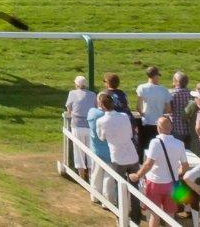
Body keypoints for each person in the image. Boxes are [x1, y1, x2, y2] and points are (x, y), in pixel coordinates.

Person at [95, 93, 139, 221]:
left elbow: (101, 137)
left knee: (119, 188)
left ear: (102, 105)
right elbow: (130, 134)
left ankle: (121, 216)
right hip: (132, 155)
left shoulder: (101, 121)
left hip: (118, 158)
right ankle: (135, 217)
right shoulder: (124, 116)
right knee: (135, 188)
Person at [131, 115, 186, 218]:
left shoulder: (155, 143)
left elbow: (148, 164)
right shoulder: (179, 143)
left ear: (158, 127)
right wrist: (177, 173)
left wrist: (137, 175)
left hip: (155, 183)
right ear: (171, 127)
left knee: (154, 215)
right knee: (170, 215)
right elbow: (185, 165)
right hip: (172, 184)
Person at [63, 76, 97, 170]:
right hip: (90, 126)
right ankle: (91, 175)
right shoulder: (93, 94)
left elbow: (69, 108)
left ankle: (82, 176)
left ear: (76, 85)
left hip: (77, 125)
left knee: (78, 152)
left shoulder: (72, 93)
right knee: (91, 151)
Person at [136, 67, 172, 152]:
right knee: (158, 149)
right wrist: (160, 112)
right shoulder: (164, 90)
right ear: (156, 76)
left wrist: (142, 114)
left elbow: (138, 107)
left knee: (145, 147)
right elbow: (168, 109)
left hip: (146, 122)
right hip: (159, 123)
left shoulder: (142, 88)